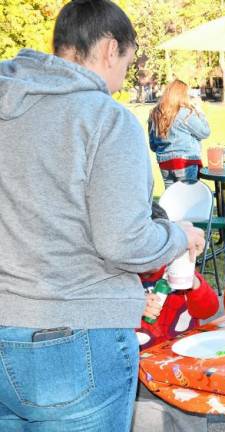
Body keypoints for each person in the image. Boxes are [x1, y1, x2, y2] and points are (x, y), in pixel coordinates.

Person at [0, 1, 205, 430]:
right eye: (126, 66)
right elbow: (124, 243)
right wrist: (177, 236)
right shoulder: (106, 120)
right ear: (110, 50)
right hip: (76, 339)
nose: (119, 82)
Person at [132, 204, 219, 432]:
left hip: (185, 369)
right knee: (145, 423)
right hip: (142, 376)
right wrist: (133, 308)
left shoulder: (179, 269)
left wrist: (196, 285)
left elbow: (209, 309)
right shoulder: (125, 282)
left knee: (192, 421)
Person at [148, 79, 210, 188]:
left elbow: (153, 145)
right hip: (186, 161)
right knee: (188, 198)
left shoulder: (155, 114)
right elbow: (204, 132)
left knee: (171, 200)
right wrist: (200, 113)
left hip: (164, 162)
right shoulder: (185, 113)